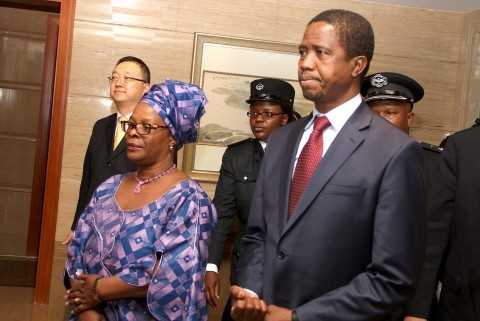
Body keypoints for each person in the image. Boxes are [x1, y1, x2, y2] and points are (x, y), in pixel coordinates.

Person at [230, 9, 426, 321]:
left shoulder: (395, 152)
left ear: (357, 65)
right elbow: (258, 234)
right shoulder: (282, 140)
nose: (305, 63)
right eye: (303, 52)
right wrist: (252, 291)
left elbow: (392, 278)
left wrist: (299, 317)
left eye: (321, 53)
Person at [64, 80, 217, 321]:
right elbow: (77, 250)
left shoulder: (190, 200)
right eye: (131, 124)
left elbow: (172, 276)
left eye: (146, 126)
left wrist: (98, 290)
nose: (133, 132)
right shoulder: (108, 187)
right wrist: (87, 311)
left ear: (172, 138)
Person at [205, 78, 297, 320]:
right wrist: (212, 265)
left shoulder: (303, 154)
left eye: (267, 114)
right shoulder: (237, 156)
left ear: (284, 118)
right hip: (246, 270)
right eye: (254, 113)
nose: (257, 119)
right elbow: (222, 214)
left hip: (290, 275)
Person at [361, 72, 444, 321]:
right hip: (343, 299)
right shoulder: (344, 160)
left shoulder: (432, 166)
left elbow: (431, 247)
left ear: (410, 117)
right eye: (373, 114)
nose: (381, 121)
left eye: (390, 112)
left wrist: (418, 310)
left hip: (400, 304)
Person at [62, 56, 151, 244]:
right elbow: (88, 180)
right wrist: (76, 225)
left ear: (146, 88)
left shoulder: (154, 131)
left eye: (127, 78)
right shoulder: (101, 126)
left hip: (129, 235)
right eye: (114, 77)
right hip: (91, 229)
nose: (118, 82)